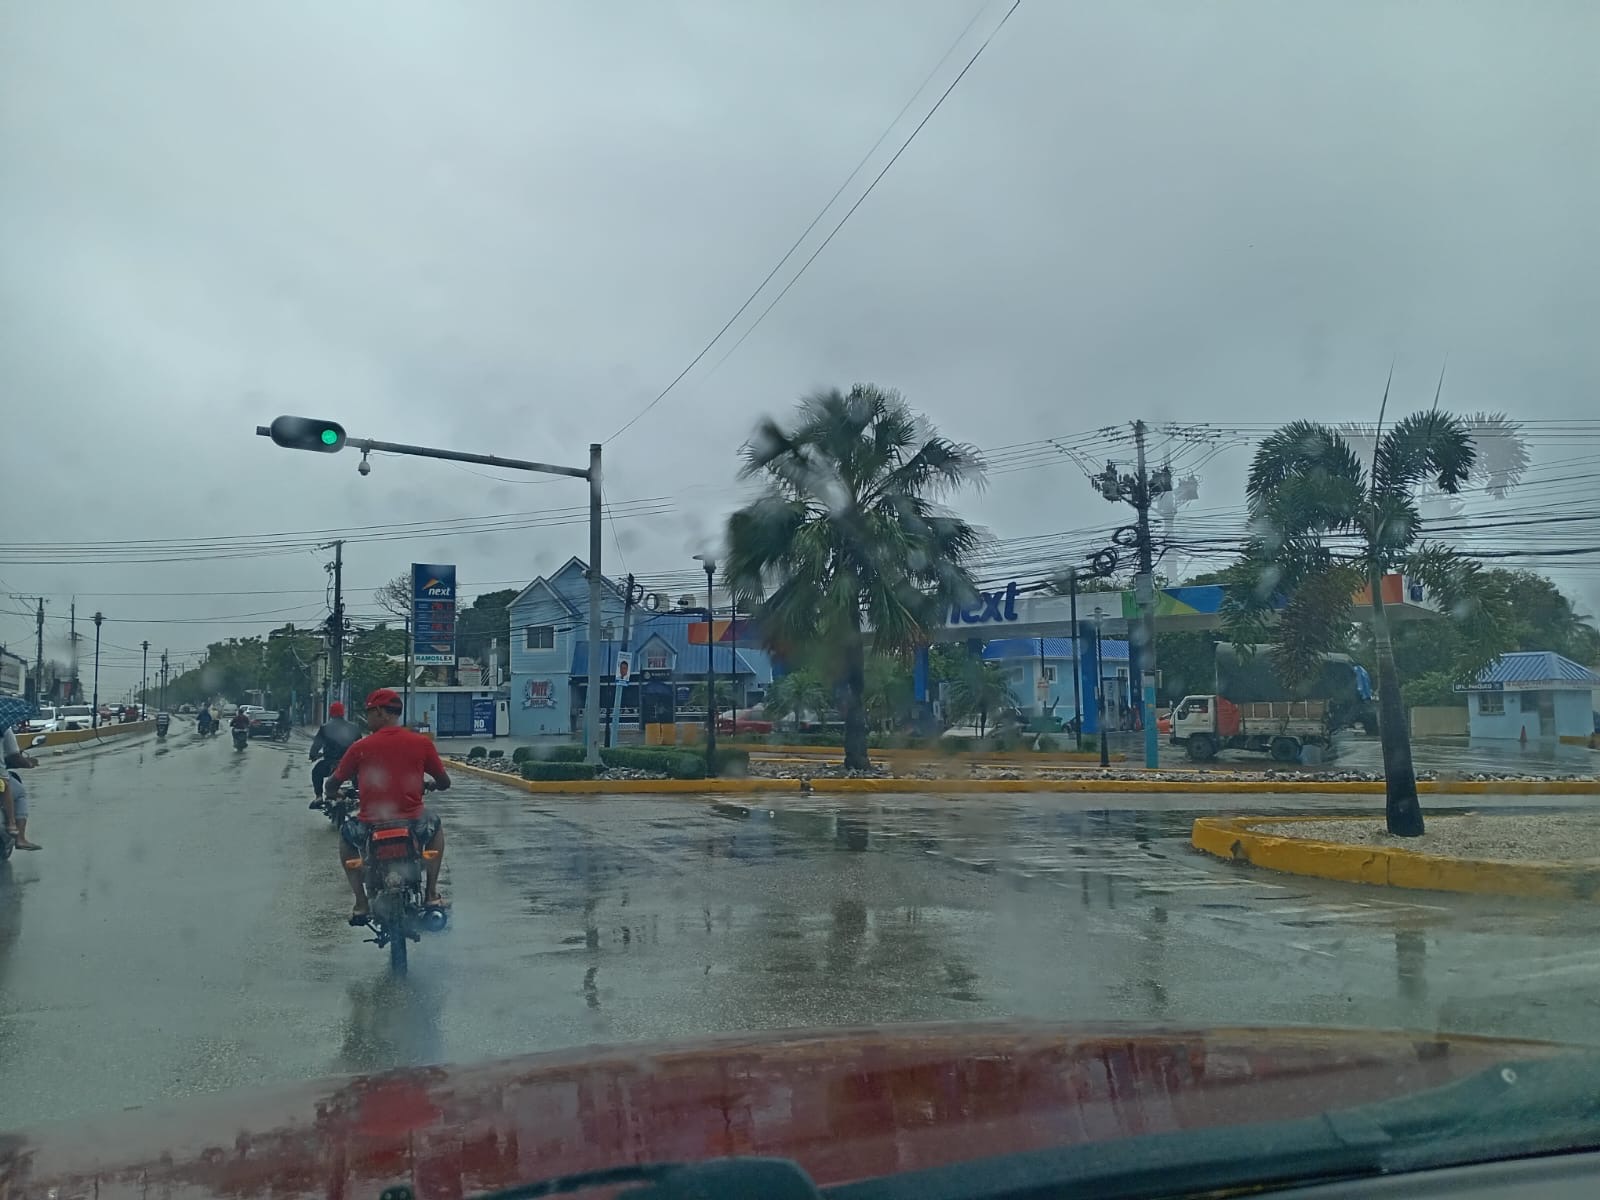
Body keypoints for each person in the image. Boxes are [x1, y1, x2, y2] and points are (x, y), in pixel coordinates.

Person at [325, 688, 450, 924]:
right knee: (436, 826)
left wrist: (333, 792)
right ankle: (431, 894)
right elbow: (444, 782)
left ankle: (361, 902)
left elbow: (334, 782)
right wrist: (432, 785)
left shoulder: (360, 747)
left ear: (382, 712)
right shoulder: (421, 743)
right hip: (414, 823)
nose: (367, 718)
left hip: (370, 825)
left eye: (370, 712)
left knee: (345, 835)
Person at [308, 701, 364, 807]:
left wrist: (313, 755)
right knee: (358, 775)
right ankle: (359, 794)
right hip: (349, 763)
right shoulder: (353, 727)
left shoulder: (325, 727)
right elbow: (360, 744)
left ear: (330, 713)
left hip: (330, 763)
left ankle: (319, 797)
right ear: (343, 713)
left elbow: (316, 745)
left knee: (316, 772)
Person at [3, 721, 41, 850]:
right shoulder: (3, 727)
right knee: (19, 793)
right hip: (1, 777)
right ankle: (20, 838)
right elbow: (14, 756)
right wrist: (28, 764)